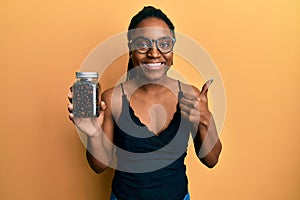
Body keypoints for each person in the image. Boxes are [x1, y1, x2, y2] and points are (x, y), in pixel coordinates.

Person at [68, 6, 222, 200]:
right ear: (131, 50)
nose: (154, 53)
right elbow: (100, 165)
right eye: (143, 44)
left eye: (164, 44)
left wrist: (205, 118)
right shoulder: (113, 98)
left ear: (172, 50)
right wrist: (93, 133)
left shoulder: (190, 94)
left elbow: (211, 159)